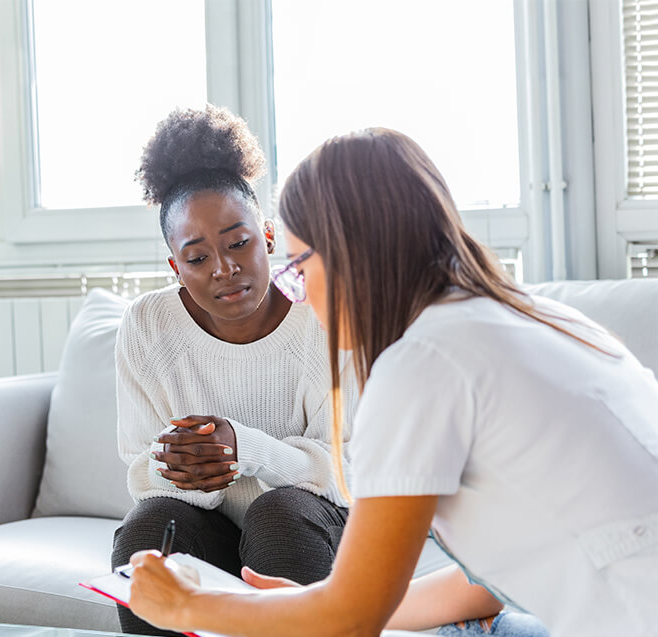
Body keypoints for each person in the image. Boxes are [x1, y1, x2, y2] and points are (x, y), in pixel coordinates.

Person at [124, 128, 658, 637]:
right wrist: (286, 607)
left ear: (350, 252)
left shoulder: (422, 365)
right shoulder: (535, 319)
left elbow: (352, 620)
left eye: (300, 266)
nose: (301, 292)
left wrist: (191, 605)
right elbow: (480, 592)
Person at [111, 105, 361, 636]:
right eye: (198, 258)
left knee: (278, 515)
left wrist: (243, 449)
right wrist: (189, 471)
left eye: (238, 243)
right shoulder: (148, 326)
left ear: (267, 236)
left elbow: (347, 472)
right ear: (175, 266)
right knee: (150, 529)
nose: (224, 268)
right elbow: (141, 470)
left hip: (315, 522)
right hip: (215, 529)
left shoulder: (321, 313)